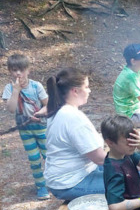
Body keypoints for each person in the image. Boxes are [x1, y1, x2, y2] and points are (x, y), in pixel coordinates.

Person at [44, 68, 107, 200]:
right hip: (71, 183)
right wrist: (128, 161)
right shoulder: (73, 117)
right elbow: (100, 159)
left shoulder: (58, 110)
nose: (89, 91)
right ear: (75, 91)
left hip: (72, 176)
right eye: (87, 87)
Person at [2, 53, 49, 200]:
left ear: (28, 70)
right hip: (25, 130)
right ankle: (41, 186)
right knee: (34, 159)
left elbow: (48, 104)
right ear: (10, 71)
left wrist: (40, 113)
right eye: (14, 70)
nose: (18, 73)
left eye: (21, 70)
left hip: (42, 127)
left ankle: (54, 181)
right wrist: (16, 90)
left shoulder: (36, 86)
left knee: (49, 156)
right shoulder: (9, 89)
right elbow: (11, 108)